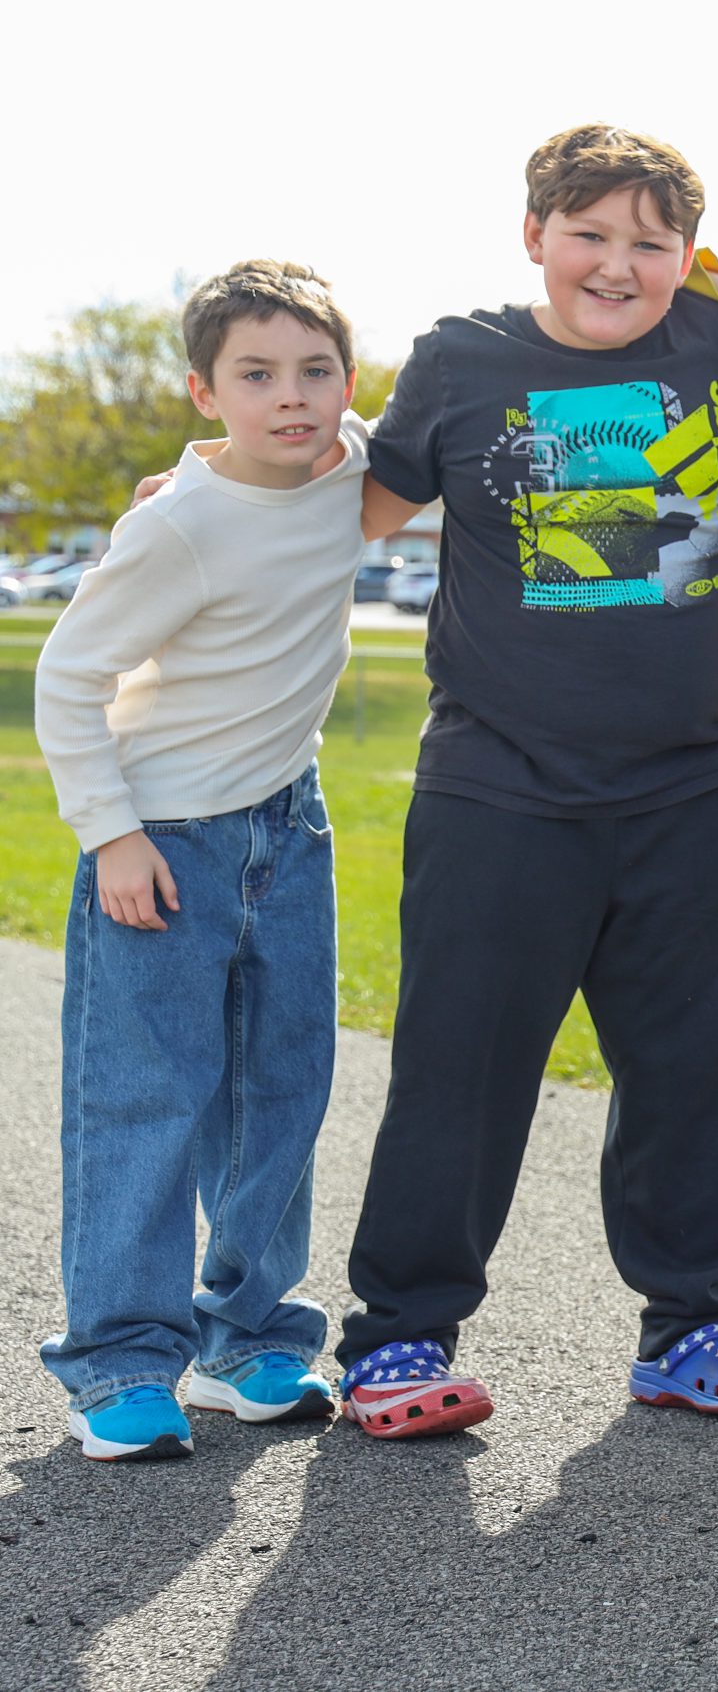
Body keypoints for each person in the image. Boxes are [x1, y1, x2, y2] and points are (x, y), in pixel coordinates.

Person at [335, 123, 718, 1436]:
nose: (617, 262)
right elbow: (355, 511)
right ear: (533, 234)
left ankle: (696, 1321)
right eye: (589, 233)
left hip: (692, 787)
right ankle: (398, 1335)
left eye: (650, 242)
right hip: (501, 787)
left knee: (702, 1063)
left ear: (686, 256)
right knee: (459, 1063)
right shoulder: (461, 360)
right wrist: (223, 485)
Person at [33, 261, 369, 1459]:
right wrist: (110, 836)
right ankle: (121, 1363)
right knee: (148, 1102)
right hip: (162, 840)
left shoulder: (353, 465)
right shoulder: (178, 520)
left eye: (315, 371)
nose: (293, 397)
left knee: (279, 1093)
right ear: (205, 389)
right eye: (258, 375)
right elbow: (68, 678)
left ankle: (248, 1340)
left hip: (292, 826)